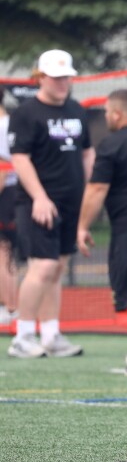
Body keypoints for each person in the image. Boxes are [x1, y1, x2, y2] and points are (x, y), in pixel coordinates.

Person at [7, 49, 94, 358]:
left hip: (71, 201)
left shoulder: (76, 110)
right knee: (41, 266)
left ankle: (51, 334)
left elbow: (86, 153)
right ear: (40, 77)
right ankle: (23, 336)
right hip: (37, 203)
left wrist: (88, 195)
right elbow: (20, 158)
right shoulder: (26, 113)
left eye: (66, 77)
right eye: (56, 78)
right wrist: (40, 197)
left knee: (57, 267)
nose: (62, 83)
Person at [76, 90, 127, 374]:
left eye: (108, 112)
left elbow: (96, 189)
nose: (106, 116)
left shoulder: (111, 144)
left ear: (118, 113)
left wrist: (83, 226)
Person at [0, 88, 19, 325]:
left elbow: (3, 171)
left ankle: (12, 307)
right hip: (9, 195)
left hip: (6, 196)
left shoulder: (4, 126)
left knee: (4, 252)